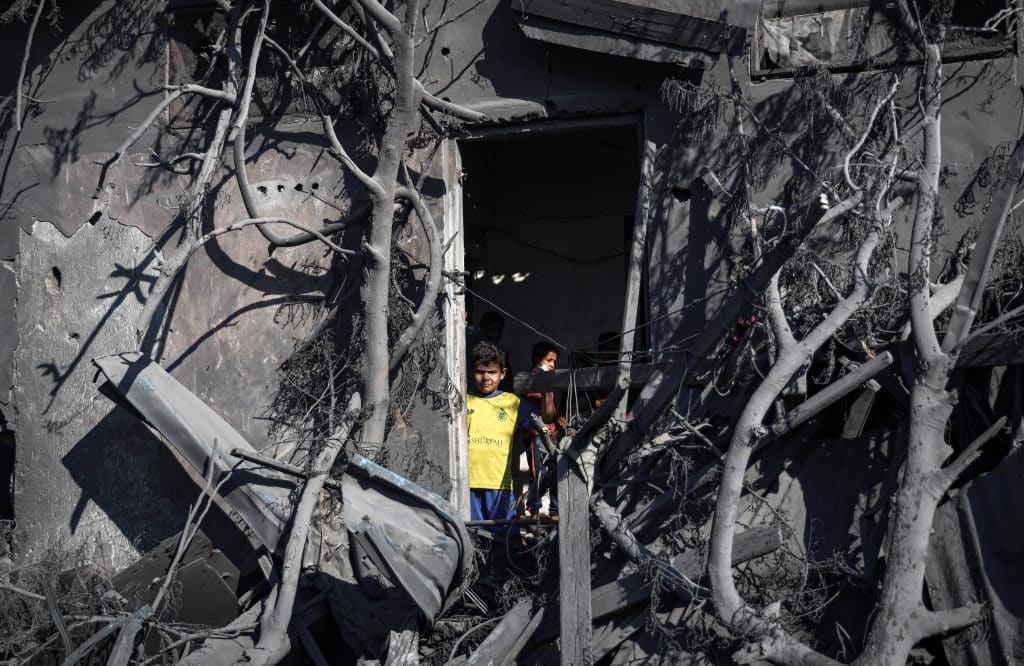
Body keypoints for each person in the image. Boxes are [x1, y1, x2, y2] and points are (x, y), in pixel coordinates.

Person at [467, 341, 535, 526]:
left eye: (492, 372)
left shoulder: (513, 403)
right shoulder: (464, 402)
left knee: (504, 538)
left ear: (503, 373)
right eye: (480, 371)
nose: (486, 377)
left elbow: (543, 421)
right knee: (473, 535)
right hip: (468, 483)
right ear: (472, 372)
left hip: (501, 484)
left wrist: (547, 392)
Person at [522, 341, 559, 518]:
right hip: (535, 434)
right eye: (549, 360)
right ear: (537, 360)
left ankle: (555, 511)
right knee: (537, 473)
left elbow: (549, 415)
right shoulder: (528, 381)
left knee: (555, 471)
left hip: (550, 432)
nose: (552, 365)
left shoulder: (548, 382)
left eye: (554, 361)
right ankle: (534, 510)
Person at [480, 311, 514, 392]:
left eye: (499, 330)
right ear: (483, 330)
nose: (496, 334)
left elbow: (508, 381)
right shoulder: (475, 354)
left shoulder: (501, 354)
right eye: (492, 330)